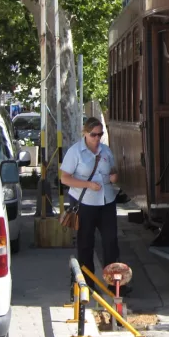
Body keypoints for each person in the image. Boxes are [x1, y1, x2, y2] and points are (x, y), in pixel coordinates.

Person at [60, 117, 121, 290]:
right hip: (85, 203)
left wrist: (114, 177)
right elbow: (64, 178)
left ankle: (114, 284)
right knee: (85, 243)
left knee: (111, 242)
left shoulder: (106, 151)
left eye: (100, 134)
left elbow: (113, 170)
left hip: (106, 201)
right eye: (93, 134)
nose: (97, 138)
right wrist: (87, 184)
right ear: (85, 133)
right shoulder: (75, 152)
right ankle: (87, 284)